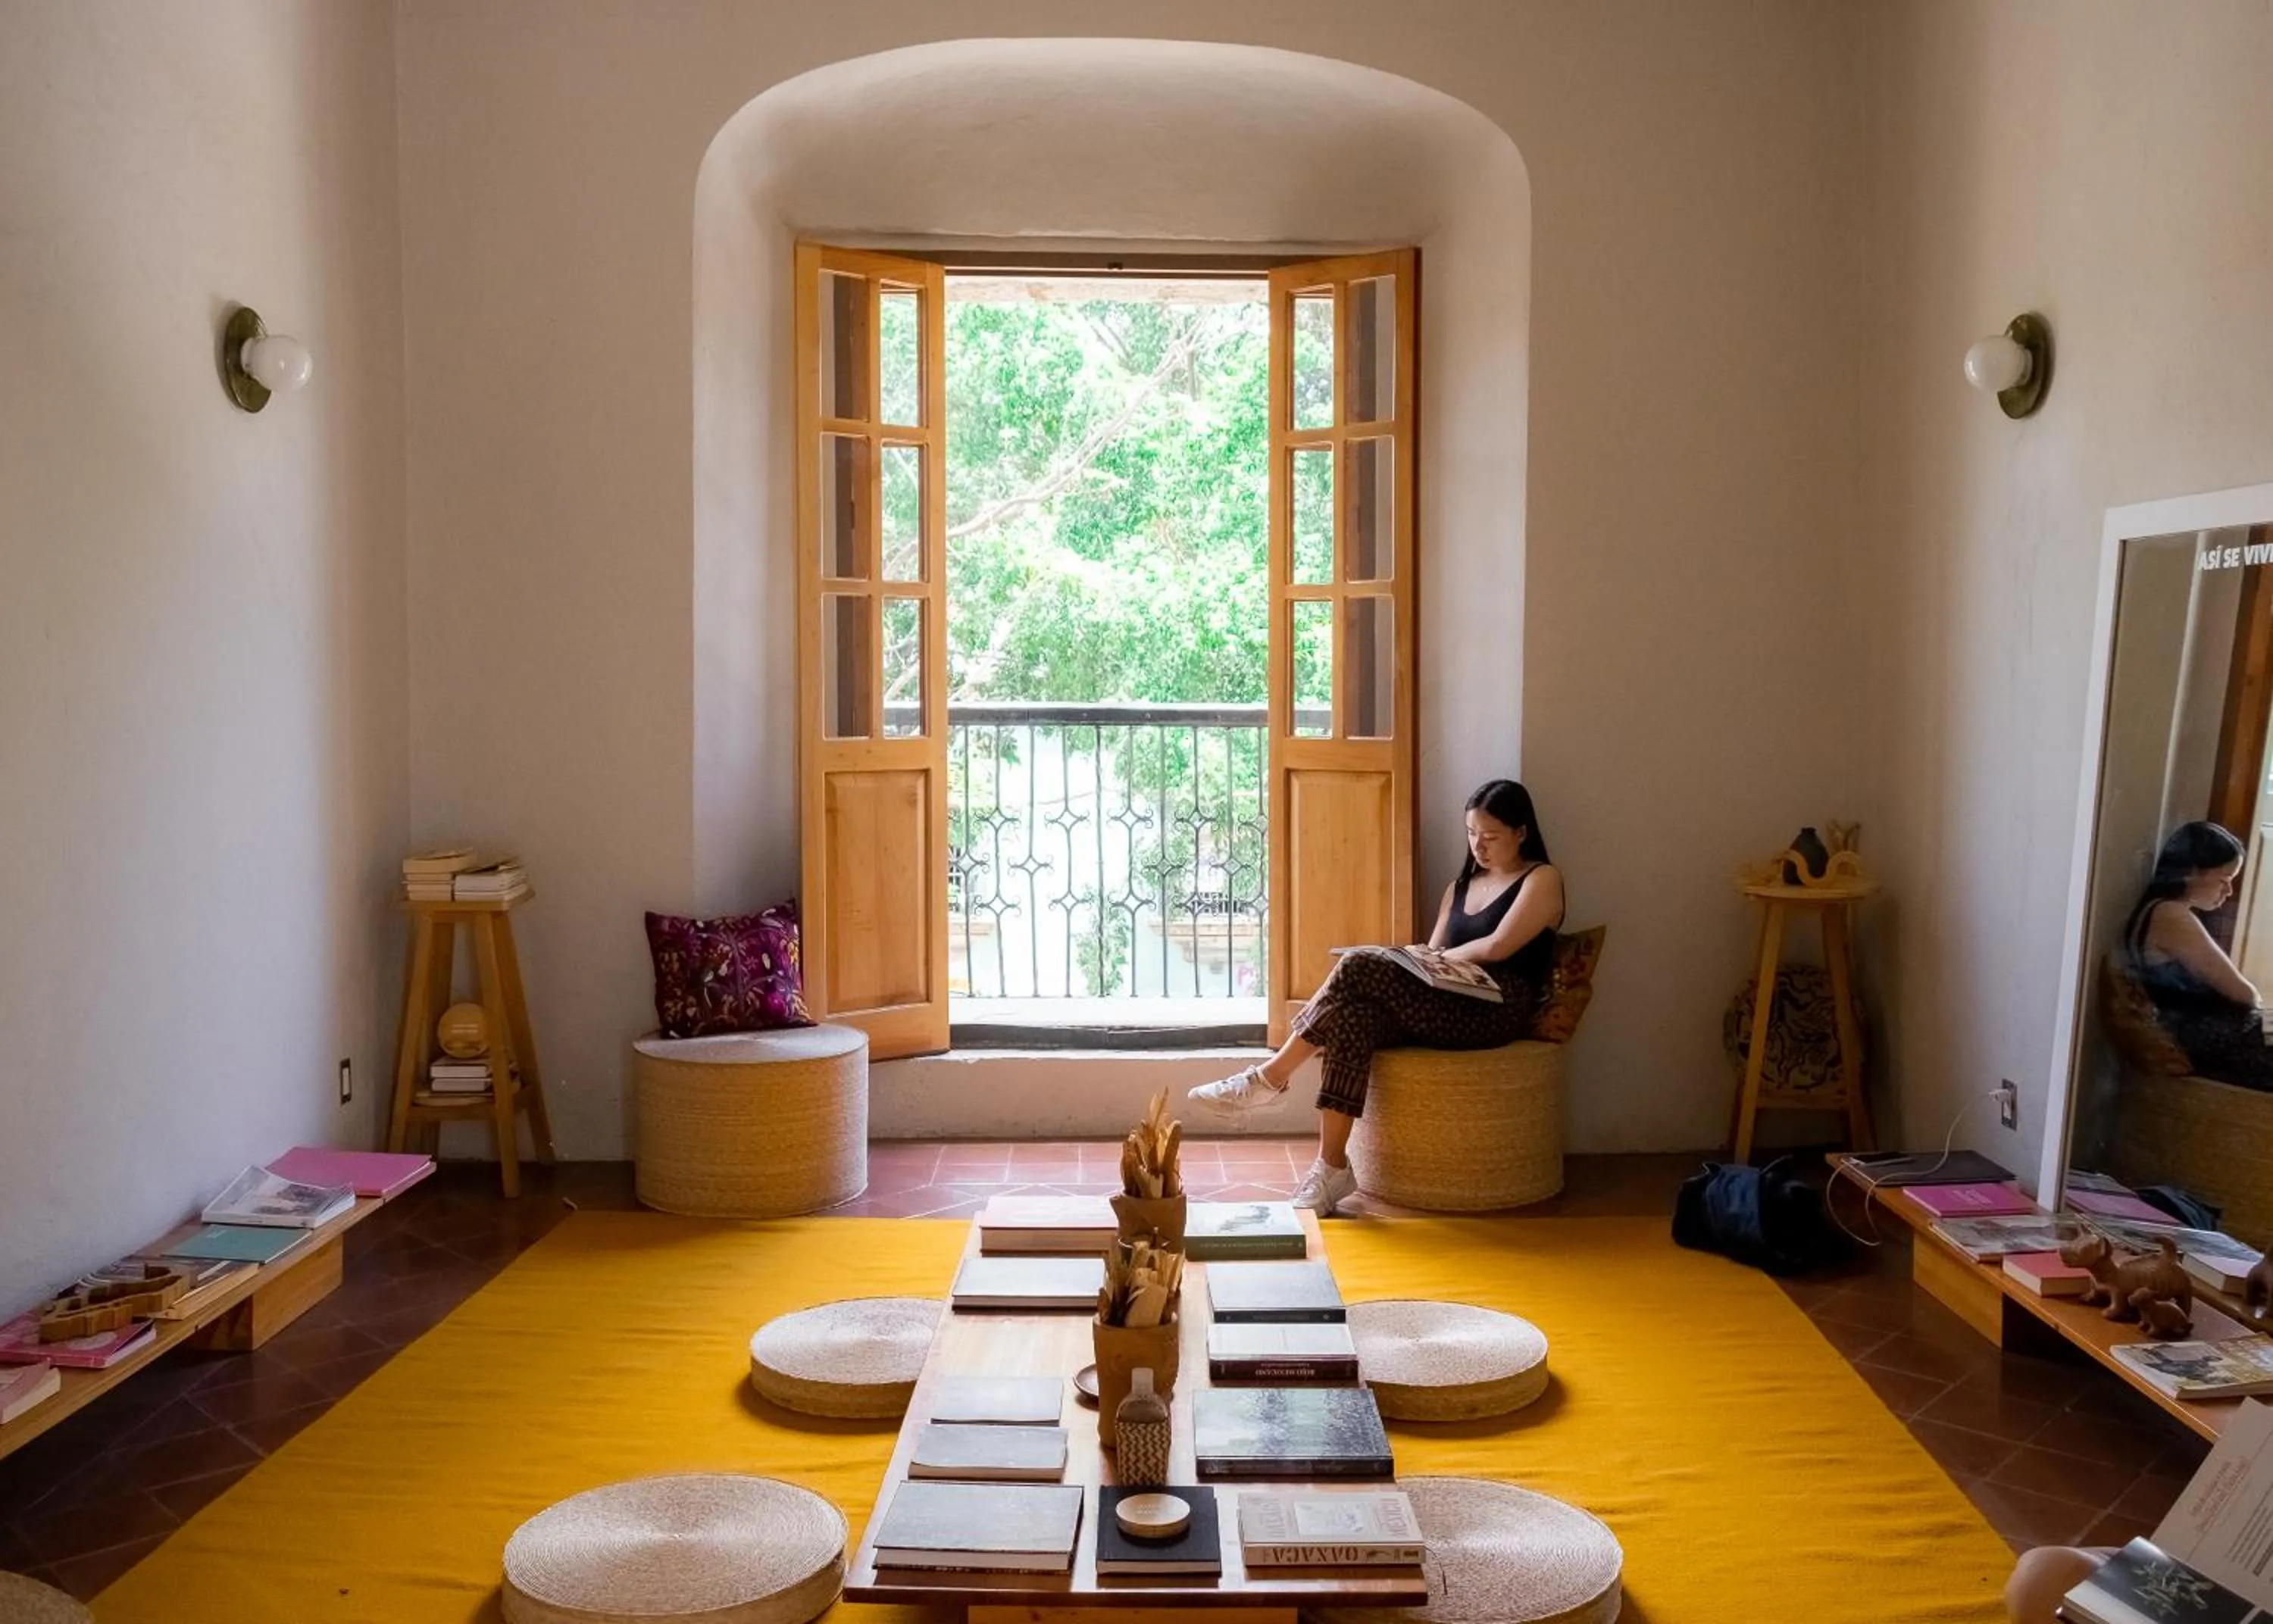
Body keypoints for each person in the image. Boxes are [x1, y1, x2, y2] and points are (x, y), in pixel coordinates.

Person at [1188, 779, 1565, 1213]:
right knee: (1354, 1018)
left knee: (1359, 964)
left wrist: (1427, 960)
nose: (1478, 846)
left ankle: (1270, 1078)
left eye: (1491, 836)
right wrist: (1419, 961)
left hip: (1496, 1009)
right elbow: (1433, 952)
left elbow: (1498, 947)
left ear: (1521, 832)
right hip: (1447, 999)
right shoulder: (1460, 886)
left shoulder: (1542, 879)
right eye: (1471, 833)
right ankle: (1331, 1169)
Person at [2123, 820, 2273, 1090]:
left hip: (2200, 1032)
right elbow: (2245, 994)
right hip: (2206, 1038)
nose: (2228, 892)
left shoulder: (2158, 911)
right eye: (2224, 880)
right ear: (2191, 872)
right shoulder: (2171, 915)